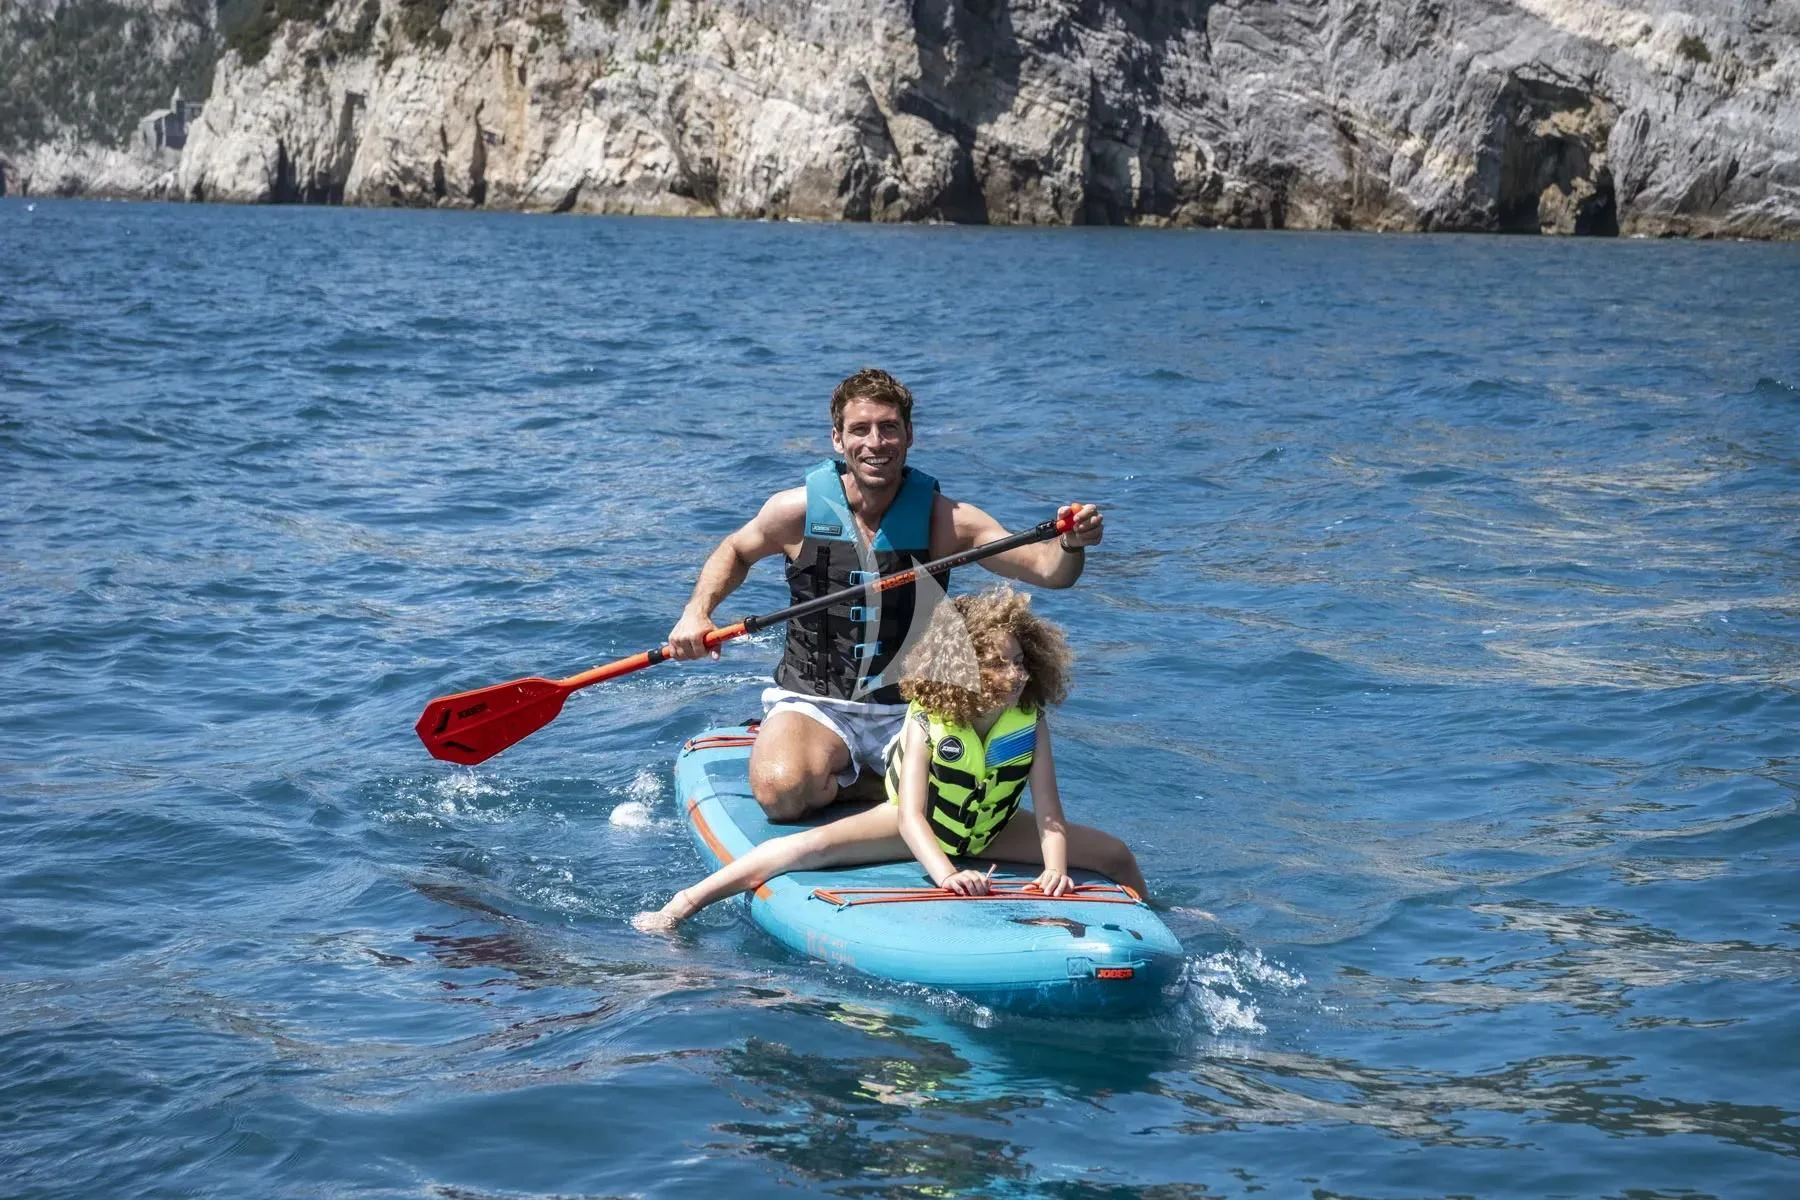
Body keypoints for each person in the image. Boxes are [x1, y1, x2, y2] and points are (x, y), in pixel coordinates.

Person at [665, 367, 1104, 822]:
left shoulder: (948, 521)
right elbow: (735, 550)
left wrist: (1072, 543)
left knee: (960, 800)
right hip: (817, 702)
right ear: (838, 439)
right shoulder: (793, 511)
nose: (875, 442)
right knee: (781, 792)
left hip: (912, 708)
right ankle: (868, 781)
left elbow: (1051, 571)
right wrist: (696, 613)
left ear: (908, 436)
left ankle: (866, 782)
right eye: (860, 429)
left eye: (889, 428)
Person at [633, 586, 1146, 932]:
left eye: (1017, 662)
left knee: (1116, 855)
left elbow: (1050, 814)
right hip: (911, 827)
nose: (1013, 676)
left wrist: (1055, 870)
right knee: (800, 850)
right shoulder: (927, 718)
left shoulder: (1029, 718)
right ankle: (682, 904)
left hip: (992, 829)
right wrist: (946, 874)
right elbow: (909, 815)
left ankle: (1157, 918)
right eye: (995, 664)